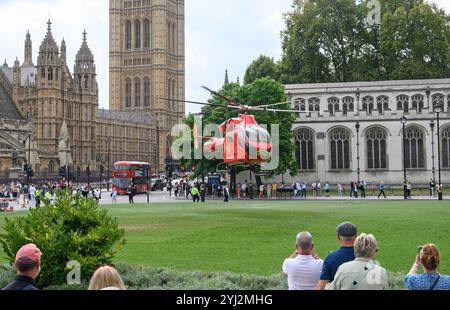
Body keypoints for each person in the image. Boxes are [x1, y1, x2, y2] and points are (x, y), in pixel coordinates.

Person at [316, 222, 357, 290]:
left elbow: (321, 287)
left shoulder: (330, 258)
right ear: (356, 236)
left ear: (338, 236)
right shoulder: (364, 257)